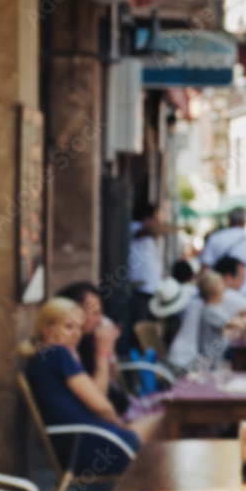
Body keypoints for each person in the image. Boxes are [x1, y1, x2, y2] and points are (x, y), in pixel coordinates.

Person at [20, 298, 162, 475]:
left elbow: (94, 397)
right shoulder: (57, 354)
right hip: (101, 447)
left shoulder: (41, 359)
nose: (77, 334)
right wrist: (121, 426)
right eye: (68, 327)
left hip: (79, 451)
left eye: (79, 328)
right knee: (169, 416)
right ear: (47, 329)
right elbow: (101, 405)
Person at [55, 281, 125, 413]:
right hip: (110, 424)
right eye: (95, 313)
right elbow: (98, 400)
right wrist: (102, 352)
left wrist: (110, 350)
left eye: (101, 312)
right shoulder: (65, 352)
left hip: (121, 410)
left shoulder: (88, 339)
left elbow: (114, 378)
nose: (100, 319)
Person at [199, 208, 246, 298]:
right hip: (245, 295)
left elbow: (204, 270)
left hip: (217, 294)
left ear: (229, 220)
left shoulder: (215, 238)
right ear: (245, 221)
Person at [129, 203, 163, 328]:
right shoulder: (134, 227)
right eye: (155, 218)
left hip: (150, 290)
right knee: (140, 327)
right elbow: (152, 230)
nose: (157, 222)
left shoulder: (148, 236)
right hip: (141, 290)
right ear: (146, 218)